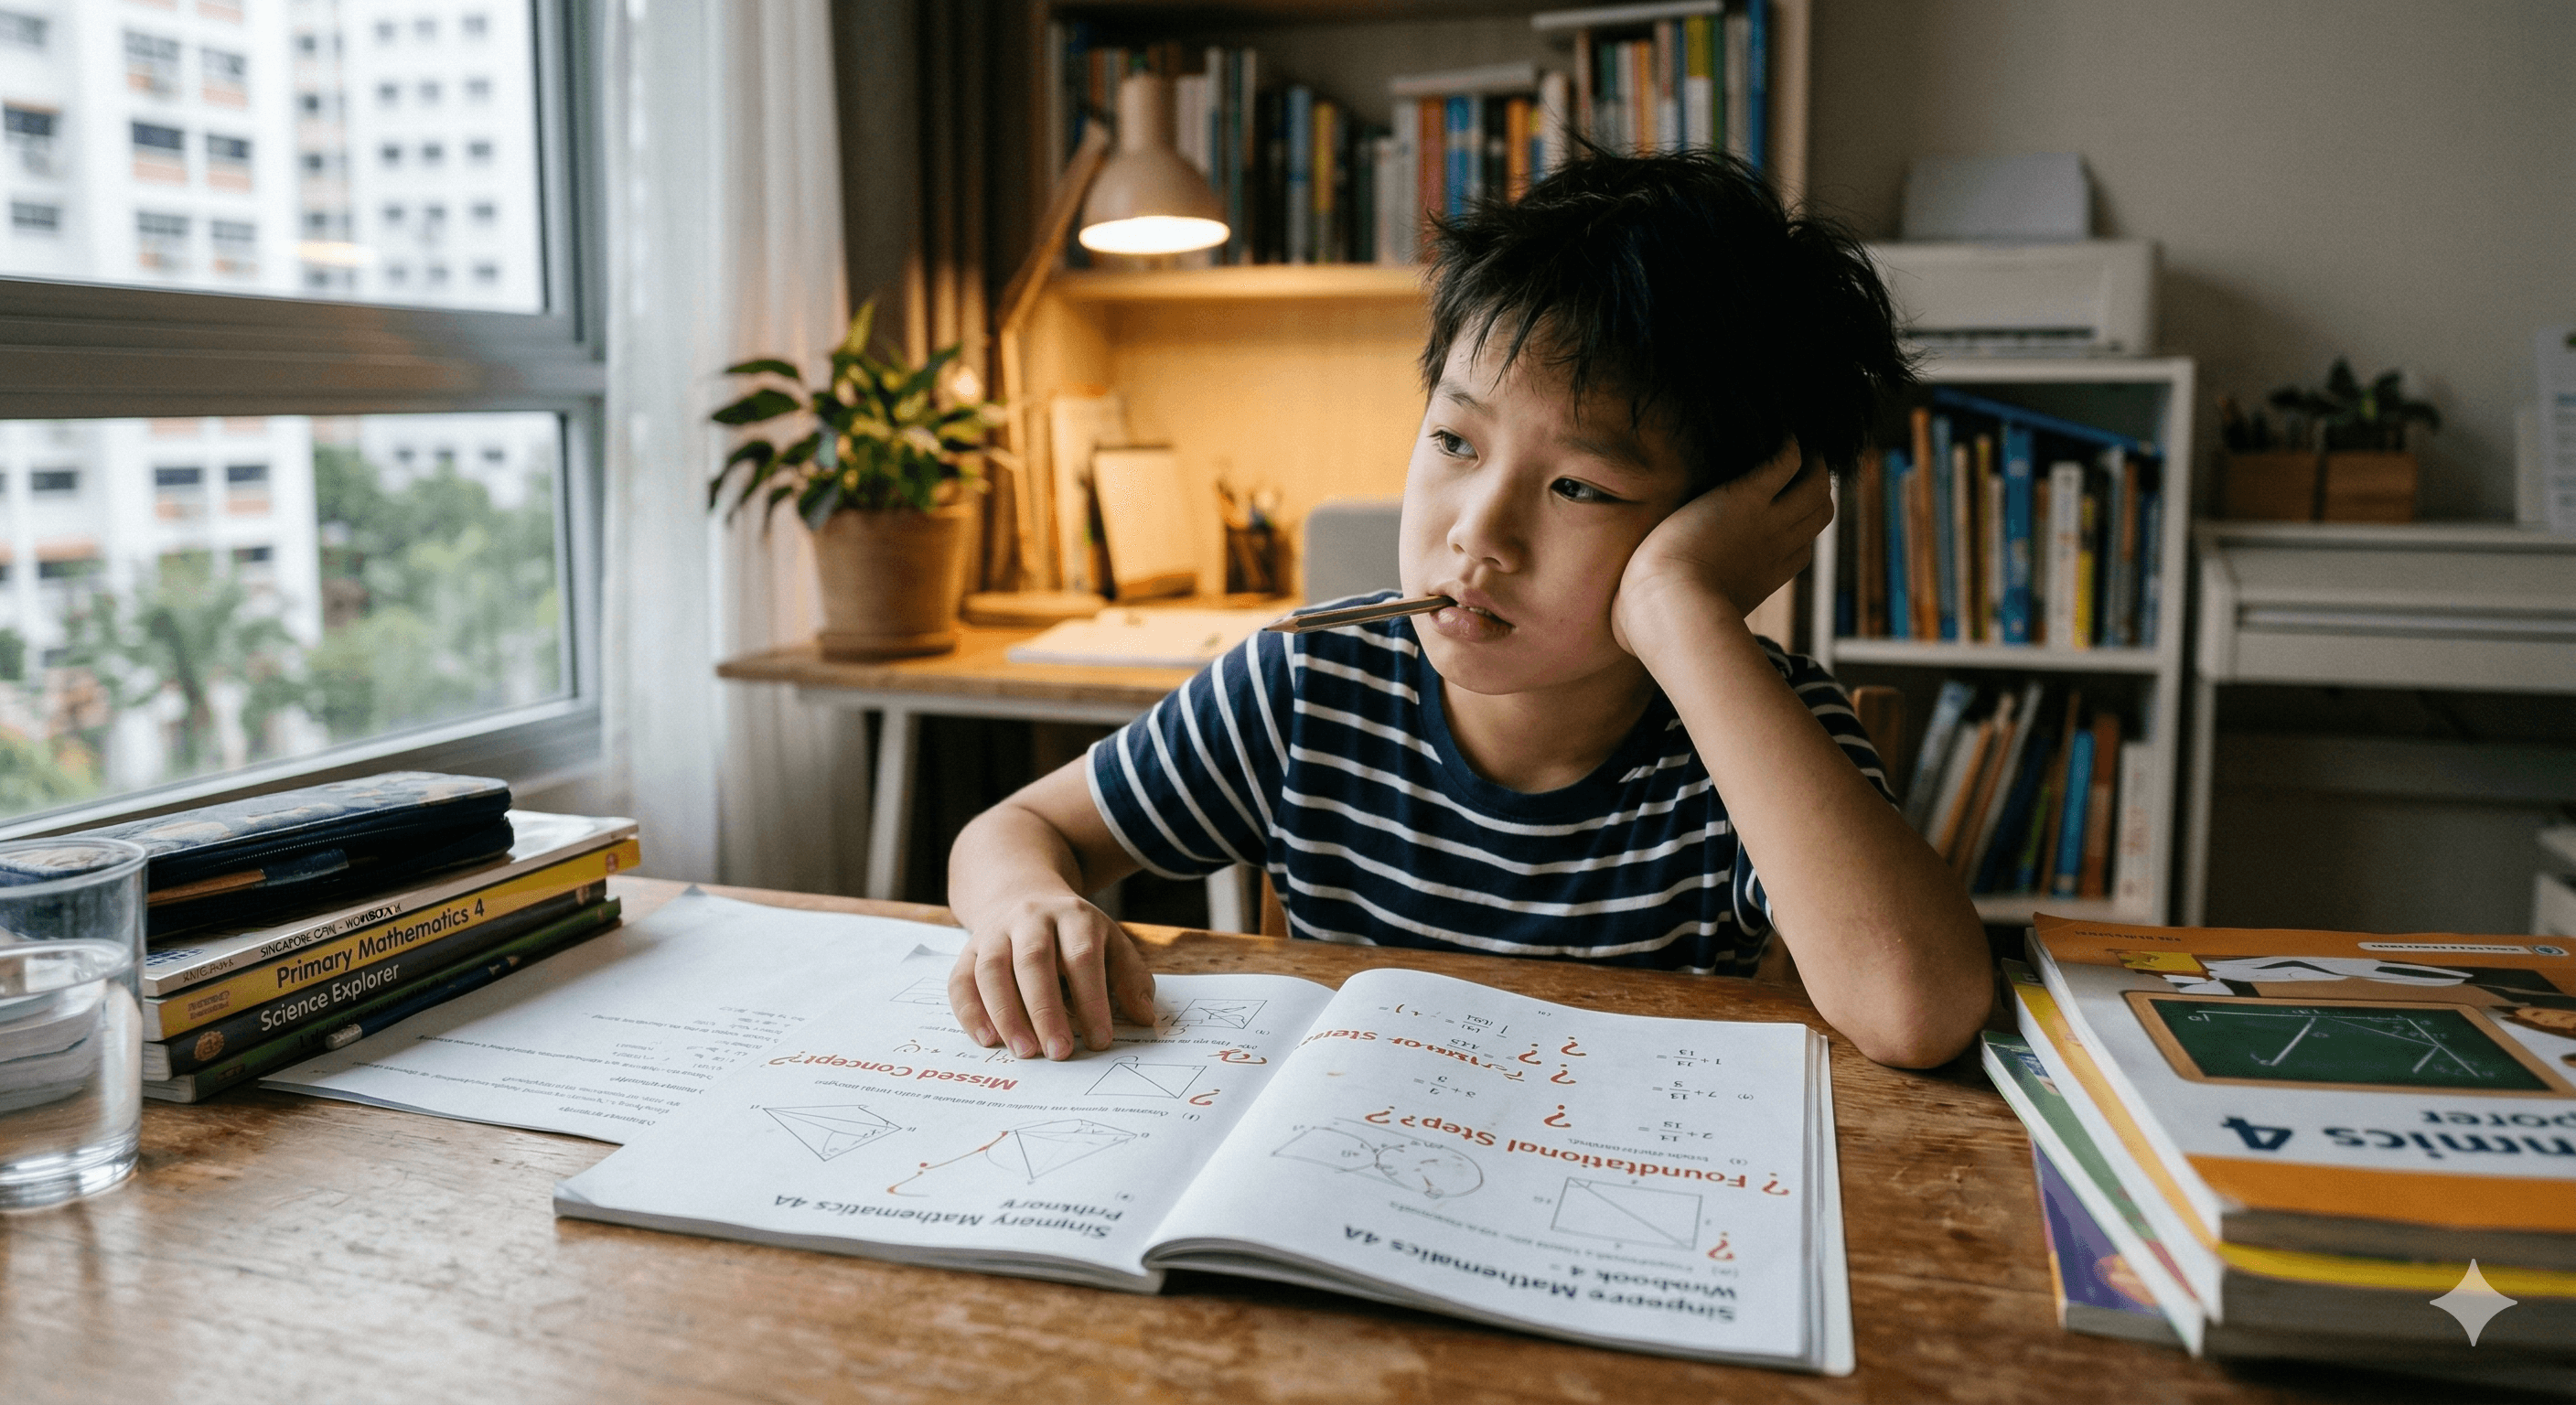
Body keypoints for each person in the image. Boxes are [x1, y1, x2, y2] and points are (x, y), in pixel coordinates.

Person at [946, 148, 1991, 1069]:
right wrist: (1022, 902)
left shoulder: (1754, 730)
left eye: (1579, 487)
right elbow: (1016, 828)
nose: (1478, 533)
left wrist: (1683, 607)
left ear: (1726, 522)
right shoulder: (1310, 686)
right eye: (1454, 442)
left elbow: (1918, 1012)